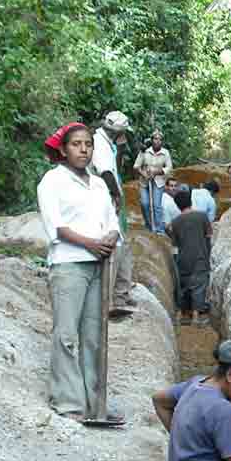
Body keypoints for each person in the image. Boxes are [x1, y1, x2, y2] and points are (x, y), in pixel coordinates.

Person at [36, 122, 123, 424]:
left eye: (88, 144)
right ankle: (68, 401)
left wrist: (110, 237)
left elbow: (112, 222)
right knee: (66, 334)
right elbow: (57, 227)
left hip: (99, 264)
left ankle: (95, 403)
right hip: (68, 264)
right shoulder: (52, 181)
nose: (83, 150)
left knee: (93, 335)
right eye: (76, 144)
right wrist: (91, 244)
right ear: (63, 150)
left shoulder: (98, 184)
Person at [90, 110, 136, 316]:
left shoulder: (108, 144)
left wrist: (120, 150)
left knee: (123, 244)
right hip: (106, 200)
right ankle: (107, 300)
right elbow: (106, 172)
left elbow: (114, 169)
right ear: (118, 132)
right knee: (114, 245)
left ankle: (121, 293)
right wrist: (116, 195)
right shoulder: (100, 144)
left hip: (111, 197)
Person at [167, 187, 212, 327]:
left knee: (185, 286)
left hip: (183, 259)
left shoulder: (175, 222)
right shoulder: (202, 216)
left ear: (177, 205)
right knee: (199, 285)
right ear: (190, 201)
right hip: (200, 257)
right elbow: (208, 236)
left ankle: (181, 315)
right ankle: (196, 317)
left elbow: (175, 244)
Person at [134, 129, 174, 234]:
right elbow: (136, 166)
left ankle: (159, 229)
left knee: (156, 205)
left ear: (162, 141)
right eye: (155, 139)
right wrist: (144, 174)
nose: (157, 141)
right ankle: (149, 225)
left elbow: (169, 168)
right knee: (145, 203)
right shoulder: (145, 151)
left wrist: (157, 172)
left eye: (160, 139)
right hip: (144, 181)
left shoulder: (165, 153)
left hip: (158, 182)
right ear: (152, 140)